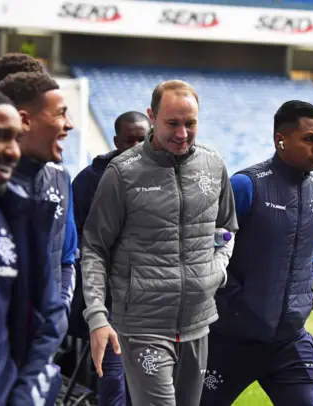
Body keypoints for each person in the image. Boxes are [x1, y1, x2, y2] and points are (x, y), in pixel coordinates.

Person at [81, 79, 238, 406]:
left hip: (198, 323)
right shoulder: (123, 173)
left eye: (190, 123)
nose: (182, 133)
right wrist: (97, 315)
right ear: (152, 116)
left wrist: (217, 270)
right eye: (172, 123)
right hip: (142, 326)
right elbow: (94, 247)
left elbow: (227, 227)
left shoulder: (213, 165)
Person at [200, 100, 313, 406]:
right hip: (229, 339)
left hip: (288, 341)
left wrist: (304, 298)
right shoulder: (246, 187)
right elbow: (209, 250)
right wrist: (236, 304)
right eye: (310, 139)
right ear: (280, 140)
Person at [0, 88, 65, 405]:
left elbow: (47, 321)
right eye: (0, 137)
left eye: (17, 139)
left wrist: (22, 397)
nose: (13, 152)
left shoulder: (20, 217)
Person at [68, 111, 150, 406]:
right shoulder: (89, 180)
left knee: (149, 381)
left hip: (154, 303)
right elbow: (76, 237)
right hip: (111, 304)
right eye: (130, 140)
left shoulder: (169, 177)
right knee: (114, 379)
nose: (138, 146)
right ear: (116, 141)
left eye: (143, 139)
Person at [0, 72, 77, 338]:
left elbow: (66, 260)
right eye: (60, 114)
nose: (69, 125)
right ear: (25, 120)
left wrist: (60, 313)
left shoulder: (61, 179)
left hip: (42, 343)